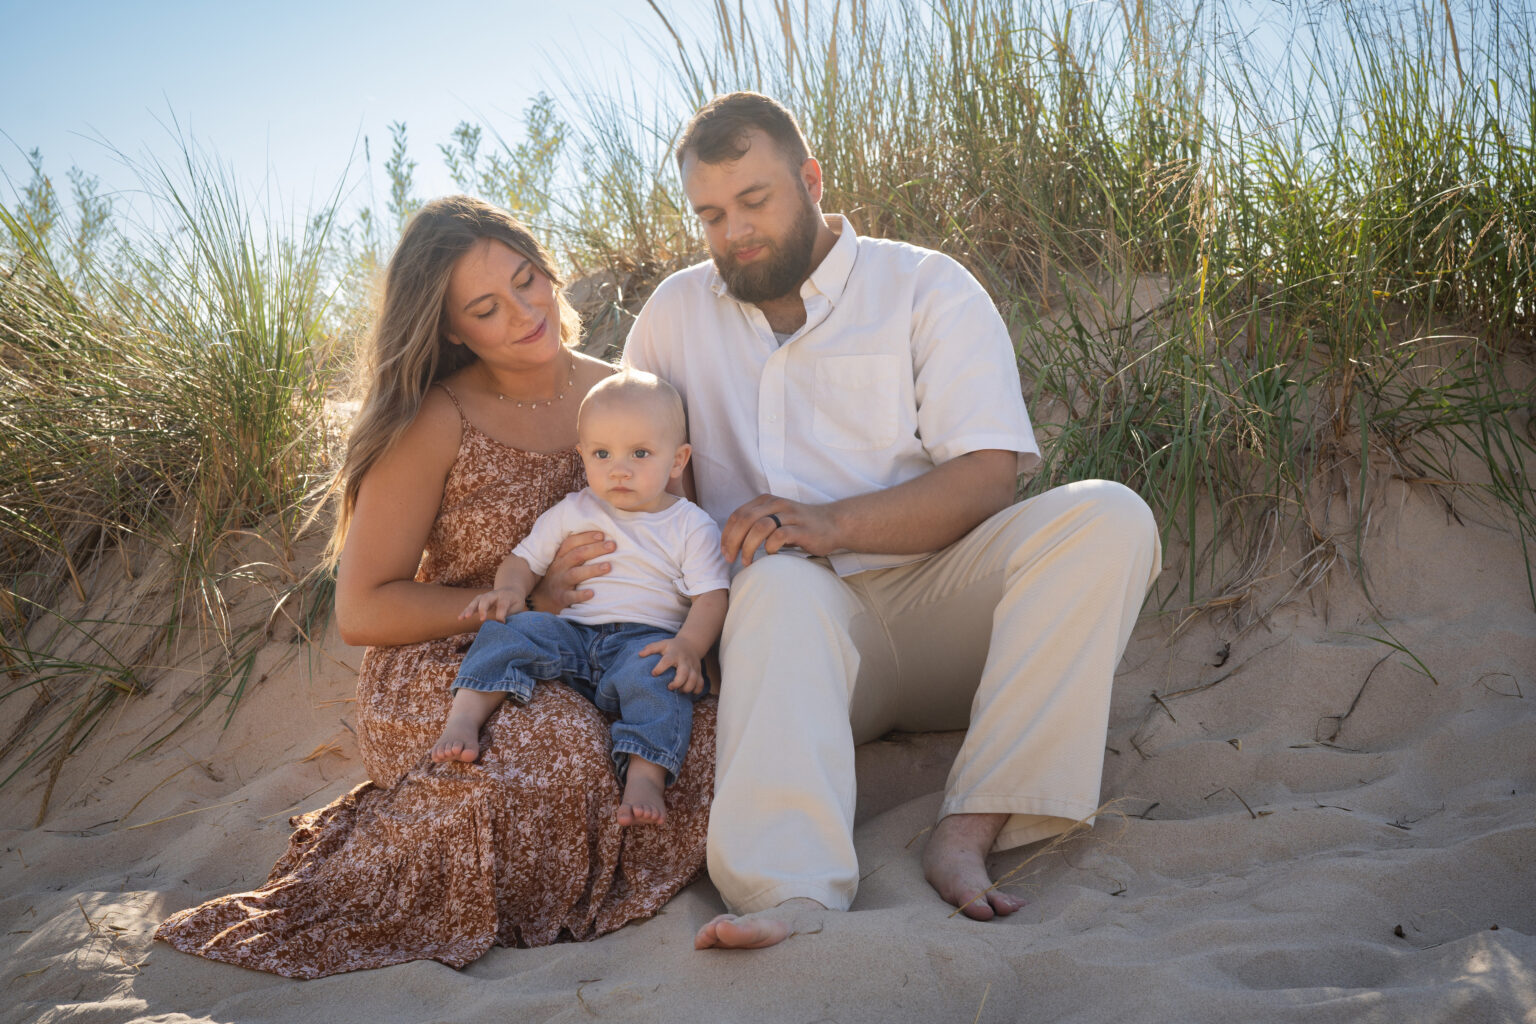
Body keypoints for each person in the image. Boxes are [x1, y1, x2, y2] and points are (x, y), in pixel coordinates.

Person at [621, 92, 1162, 950]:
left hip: (946, 608)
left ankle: (971, 826)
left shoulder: (924, 286)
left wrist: (831, 523)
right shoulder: (673, 317)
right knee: (773, 585)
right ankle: (790, 893)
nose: (735, 233)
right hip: (797, 648)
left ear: (812, 179)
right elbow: (632, 476)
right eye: (711, 215)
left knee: (1109, 516)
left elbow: (986, 476)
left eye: (755, 201)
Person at [155, 196, 716, 978]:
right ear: (453, 328)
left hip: (615, 651)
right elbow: (362, 608)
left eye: (529, 281)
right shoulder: (436, 417)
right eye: (488, 308)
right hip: (460, 662)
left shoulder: (625, 398)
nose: (526, 313)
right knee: (559, 753)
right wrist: (529, 600)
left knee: (701, 736)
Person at [431, 370, 729, 827]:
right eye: (602, 453)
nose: (619, 468)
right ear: (582, 456)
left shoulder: (690, 525)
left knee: (661, 683)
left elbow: (711, 597)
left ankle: (645, 776)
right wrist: (510, 591)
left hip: (642, 643)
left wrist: (688, 647)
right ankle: (464, 718)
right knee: (508, 631)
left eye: (641, 453)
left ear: (678, 459)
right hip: (570, 633)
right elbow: (522, 560)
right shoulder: (574, 509)